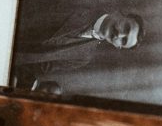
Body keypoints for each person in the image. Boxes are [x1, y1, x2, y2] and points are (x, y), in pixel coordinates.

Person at [13, 10, 145, 88]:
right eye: (126, 28)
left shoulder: (82, 58)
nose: (119, 34)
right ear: (119, 13)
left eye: (123, 40)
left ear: (117, 46)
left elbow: (39, 67)